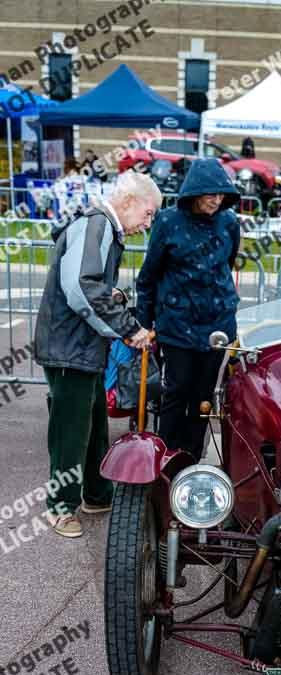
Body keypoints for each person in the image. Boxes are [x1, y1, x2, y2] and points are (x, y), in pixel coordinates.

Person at [34, 171, 162, 538]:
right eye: (148, 213)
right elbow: (81, 286)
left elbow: (84, 286)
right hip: (69, 348)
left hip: (75, 346)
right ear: (128, 201)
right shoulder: (98, 225)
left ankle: (96, 493)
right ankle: (60, 507)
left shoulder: (98, 225)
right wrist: (128, 328)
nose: (147, 223)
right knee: (71, 430)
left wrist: (115, 304)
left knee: (90, 423)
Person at [136, 158, 241, 462]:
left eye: (221, 195)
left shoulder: (229, 223)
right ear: (195, 192)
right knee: (176, 390)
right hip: (176, 325)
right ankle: (166, 455)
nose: (217, 199)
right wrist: (144, 323)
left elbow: (227, 263)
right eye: (211, 194)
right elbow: (148, 277)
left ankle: (192, 459)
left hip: (217, 327)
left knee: (203, 397)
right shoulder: (168, 222)